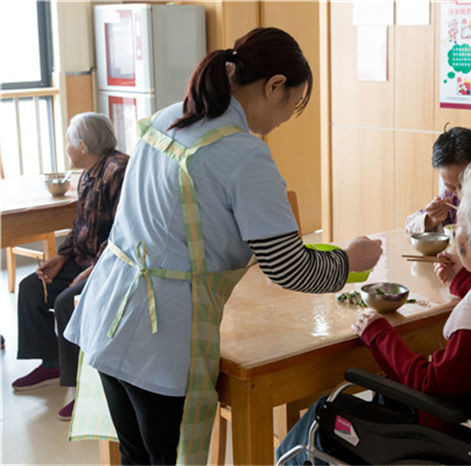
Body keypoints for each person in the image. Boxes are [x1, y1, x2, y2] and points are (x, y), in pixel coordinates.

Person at [64, 27, 382, 465]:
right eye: (293, 104)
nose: (286, 118)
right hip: (160, 335)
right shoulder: (243, 154)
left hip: (109, 311)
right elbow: (288, 267)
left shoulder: (169, 119)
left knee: (138, 457)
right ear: (274, 86)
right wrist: (348, 260)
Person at [277, 164, 471, 464]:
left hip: (462, 440)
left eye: (464, 228)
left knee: (320, 415)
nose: (459, 238)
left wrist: (378, 333)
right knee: (388, 396)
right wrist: (465, 281)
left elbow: (429, 384)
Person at [12, 112, 129, 422]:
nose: (66, 148)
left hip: (110, 266)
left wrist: (93, 270)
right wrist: (62, 257)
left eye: (68, 142)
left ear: (81, 146)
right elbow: (80, 226)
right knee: (32, 287)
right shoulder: (89, 173)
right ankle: (52, 363)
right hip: (83, 259)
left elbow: (124, 232)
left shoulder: (119, 171)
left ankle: (85, 390)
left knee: (67, 302)